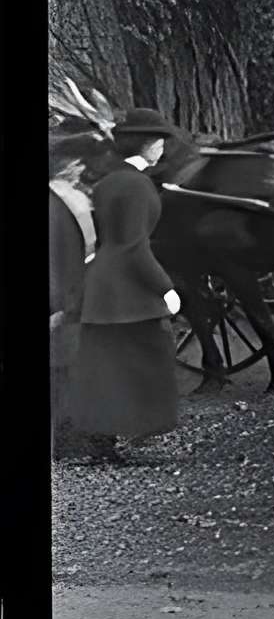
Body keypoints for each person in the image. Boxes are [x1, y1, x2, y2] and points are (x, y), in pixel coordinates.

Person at [69, 110, 184, 464]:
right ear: (147, 143)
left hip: (104, 284)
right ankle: (135, 430)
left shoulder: (110, 180)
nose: (163, 148)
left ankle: (103, 441)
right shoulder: (135, 184)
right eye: (160, 141)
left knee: (108, 364)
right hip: (127, 286)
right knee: (147, 355)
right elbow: (134, 246)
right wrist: (165, 287)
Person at [50, 127, 109, 459]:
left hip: (83, 292)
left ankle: (86, 437)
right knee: (63, 367)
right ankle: (70, 442)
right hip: (65, 299)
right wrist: (56, 305)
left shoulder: (74, 196)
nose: (80, 168)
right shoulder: (54, 202)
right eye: (73, 163)